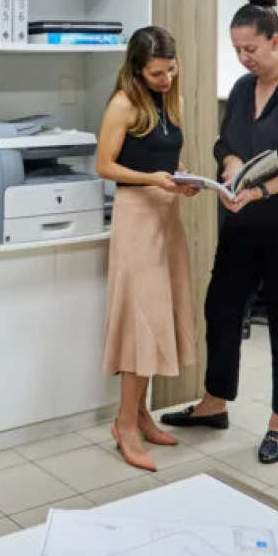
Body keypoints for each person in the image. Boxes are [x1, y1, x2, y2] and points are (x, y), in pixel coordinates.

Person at [161, 0, 278, 464]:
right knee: (221, 307)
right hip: (242, 222)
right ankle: (214, 402)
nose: (243, 58)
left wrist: (257, 191)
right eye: (236, 49)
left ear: (275, 40)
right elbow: (225, 143)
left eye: (251, 48)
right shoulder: (240, 89)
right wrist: (232, 162)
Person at [96, 25, 201, 471]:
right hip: (136, 216)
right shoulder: (123, 104)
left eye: (171, 70)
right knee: (142, 323)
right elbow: (105, 166)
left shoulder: (170, 101)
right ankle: (124, 424)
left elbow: (162, 157)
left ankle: (140, 415)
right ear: (137, 70)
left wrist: (180, 178)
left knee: (160, 320)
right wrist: (152, 180)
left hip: (166, 216)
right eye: (157, 73)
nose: (166, 79)